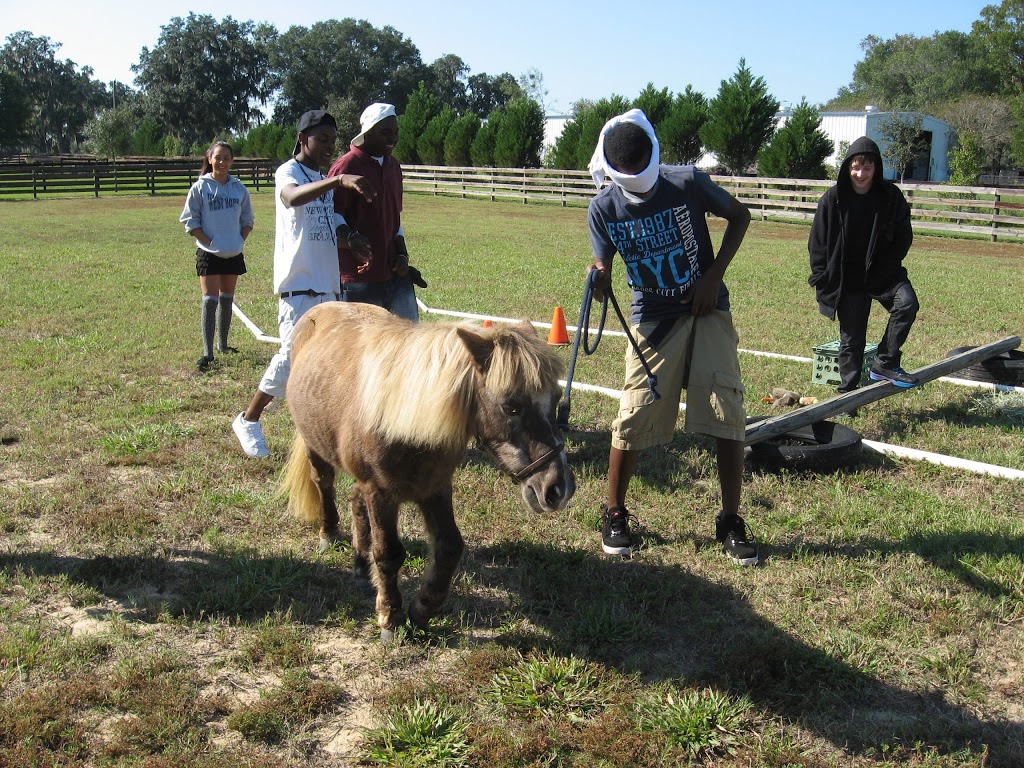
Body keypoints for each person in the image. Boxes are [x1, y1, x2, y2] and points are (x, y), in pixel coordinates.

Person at [586, 109, 757, 565]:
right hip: (653, 319)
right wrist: (599, 280)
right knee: (634, 412)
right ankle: (615, 512)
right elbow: (604, 266)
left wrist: (711, 276)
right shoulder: (603, 208)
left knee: (727, 408)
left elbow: (739, 218)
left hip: (706, 309)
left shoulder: (686, 183)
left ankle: (730, 518)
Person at [232, 110, 375, 458]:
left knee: (330, 363)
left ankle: (327, 433)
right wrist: (338, 182)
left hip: (328, 288)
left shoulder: (320, 177)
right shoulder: (290, 172)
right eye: (321, 139)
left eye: (332, 140)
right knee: (288, 358)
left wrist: (351, 241)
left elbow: (328, 226)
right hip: (299, 287)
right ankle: (249, 419)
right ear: (302, 139)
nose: (328, 146)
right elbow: (293, 198)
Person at [808, 136, 919, 393]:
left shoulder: (891, 197)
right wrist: (821, 275)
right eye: (855, 167)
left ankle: (886, 362)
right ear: (847, 167)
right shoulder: (833, 198)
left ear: (876, 168)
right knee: (852, 340)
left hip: (883, 273)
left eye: (867, 168)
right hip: (848, 278)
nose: (860, 174)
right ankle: (847, 393)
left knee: (907, 304)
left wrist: (890, 266)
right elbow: (817, 241)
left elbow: (904, 235)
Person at [327, 102, 424, 321]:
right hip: (358, 278)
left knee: (409, 341)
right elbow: (331, 215)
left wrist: (402, 254)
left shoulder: (393, 166)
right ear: (368, 133)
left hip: (394, 275)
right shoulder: (346, 166)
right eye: (385, 132)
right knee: (362, 347)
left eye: (396, 132)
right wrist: (351, 238)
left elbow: (395, 217)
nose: (393, 139)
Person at [179, 141, 254, 371]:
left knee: (227, 299)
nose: (222, 162)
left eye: (227, 158)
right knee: (210, 300)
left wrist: (238, 239)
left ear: (232, 161)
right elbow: (190, 221)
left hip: (233, 253)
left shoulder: (238, 188)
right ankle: (207, 352)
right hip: (208, 253)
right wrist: (209, 241)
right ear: (209, 159)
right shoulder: (200, 188)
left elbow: (247, 220)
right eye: (218, 157)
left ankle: (223, 345)